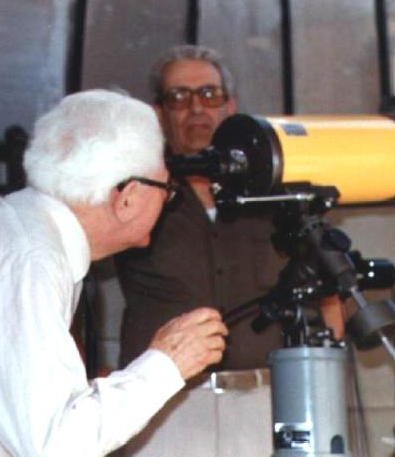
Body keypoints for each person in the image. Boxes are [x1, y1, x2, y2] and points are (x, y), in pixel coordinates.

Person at [0, 90, 228, 457]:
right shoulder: (30, 257)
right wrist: (166, 364)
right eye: (167, 188)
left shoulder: (27, 232)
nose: (167, 200)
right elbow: (56, 446)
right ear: (127, 196)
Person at [115, 45, 288, 371]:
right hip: (163, 397)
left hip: (267, 393)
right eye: (179, 96)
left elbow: (329, 295)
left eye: (209, 94)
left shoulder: (274, 192)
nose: (196, 108)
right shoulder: (131, 189)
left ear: (230, 106)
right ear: (159, 112)